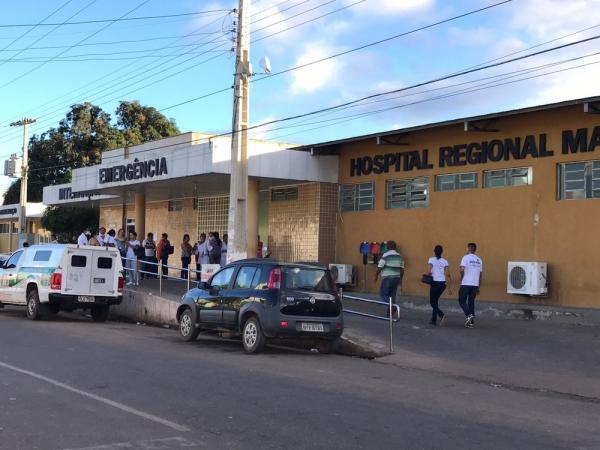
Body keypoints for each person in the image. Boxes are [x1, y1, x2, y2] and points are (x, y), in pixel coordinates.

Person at [374, 240, 404, 315]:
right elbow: (402, 269)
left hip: (388, 278)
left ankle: (392, 307)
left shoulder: (385, 255)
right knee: (392, 296)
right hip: (396, 278)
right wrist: (400, 280)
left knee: (383, 295)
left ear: (387, 247)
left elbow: (379, 267)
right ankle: (389, 313)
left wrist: (376, 276)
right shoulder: (399, 256)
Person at [458, 242, 483, 329]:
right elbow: (480, 275)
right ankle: (471, 323)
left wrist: (461, 277)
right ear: (475, 250)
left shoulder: (465, 257)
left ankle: (469, 315)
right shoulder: (479, 260)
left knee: (461, 300)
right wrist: (478, 287)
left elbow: (461, 269)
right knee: (471, 302)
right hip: (475, 285)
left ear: (468, 249)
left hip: (466, 283)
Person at [427, 245, 452, 326]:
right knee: (435, 301)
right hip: (442, 283)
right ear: (442, 252)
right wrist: (449, 288)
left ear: (434, 251)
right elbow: (448, 274)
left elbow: (429, 271)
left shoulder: (431, 259)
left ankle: (441, 314)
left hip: (434, 283)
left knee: (432, 302)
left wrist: (429, 274)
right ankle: (433, 320)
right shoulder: (445, 261)